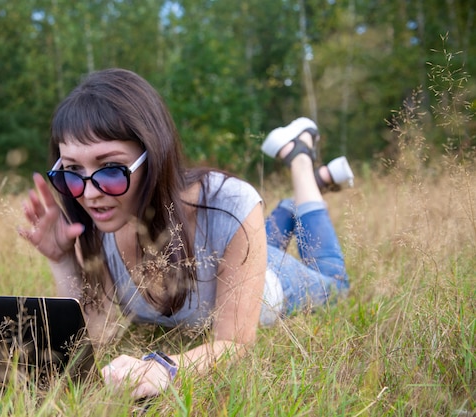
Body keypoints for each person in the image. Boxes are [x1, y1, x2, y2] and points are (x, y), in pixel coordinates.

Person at [19, 68, 351, 399]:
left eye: (110, 168)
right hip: (234, 248)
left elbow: (236, 343)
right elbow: (99, 331)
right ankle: (303, 194)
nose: (89, 193)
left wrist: (164, 367)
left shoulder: (229, 202)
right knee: (250, 227)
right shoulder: (102, 215)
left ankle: (301, 159)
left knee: (334, 278)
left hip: (272, 279)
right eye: (72, 171)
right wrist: (62, 258)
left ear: (154, 156)